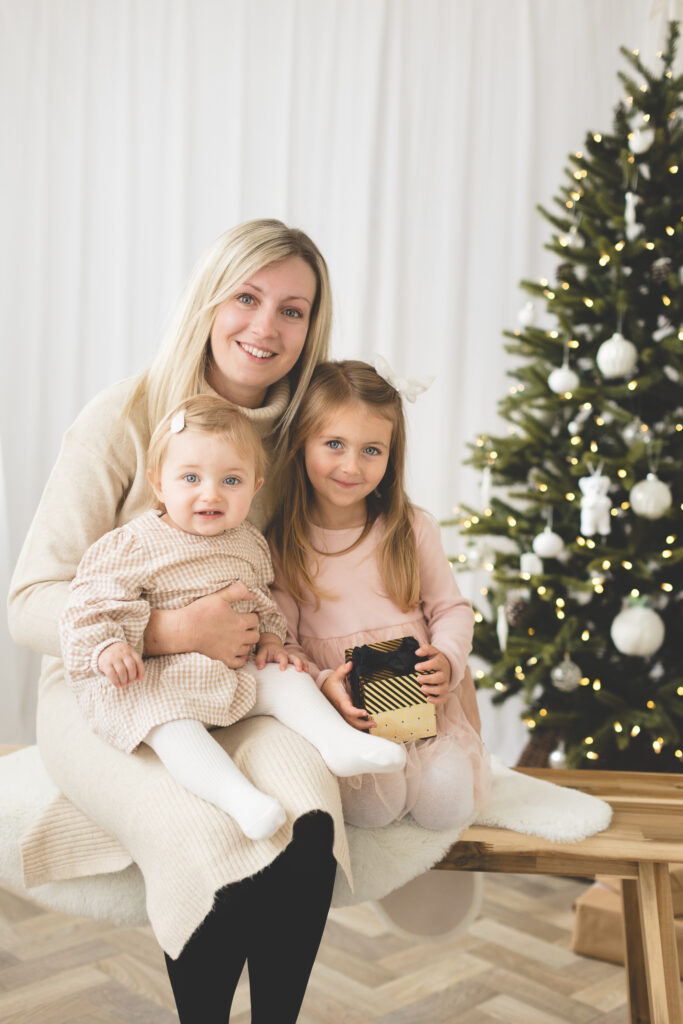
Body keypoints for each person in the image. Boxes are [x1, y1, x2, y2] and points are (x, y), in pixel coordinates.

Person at [8, 220, 353, 1023]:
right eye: (246, 297)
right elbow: (28, 602)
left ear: (312, 328)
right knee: (205, 833)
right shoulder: (122, 418)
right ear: (208, 300)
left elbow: (311, 580)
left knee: (307, 824)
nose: (265, 327)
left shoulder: (304, 435)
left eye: (292, 310)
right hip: (110, 685)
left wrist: (317, 664)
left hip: (237, 675)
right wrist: (168, 632)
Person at [60, 395, 405, 841]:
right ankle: (238, 798)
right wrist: (108, 645)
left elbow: (262, 604)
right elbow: (86, 604)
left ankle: (339, 744)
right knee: (169, 727)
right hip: (155, 680)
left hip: (228, 671)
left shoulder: (248, 543)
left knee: (286, 676)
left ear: (255, 486)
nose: (211, 494)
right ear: (158, 484)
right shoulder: (133, 545)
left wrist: (272, 641)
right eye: (190, 478)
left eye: (231, 480)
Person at [268, 359, 491, 832]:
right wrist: (324, 681)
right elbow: (282, 643)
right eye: (334, 445)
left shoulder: (409, 527)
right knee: (372, 808)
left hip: (427, 709)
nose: (352, 466)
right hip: (353, 715)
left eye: (371, 450)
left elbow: (451, 609)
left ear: (392, 455)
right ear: (301, 442)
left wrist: (448, 660)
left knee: (446, 804)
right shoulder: (282, 543)